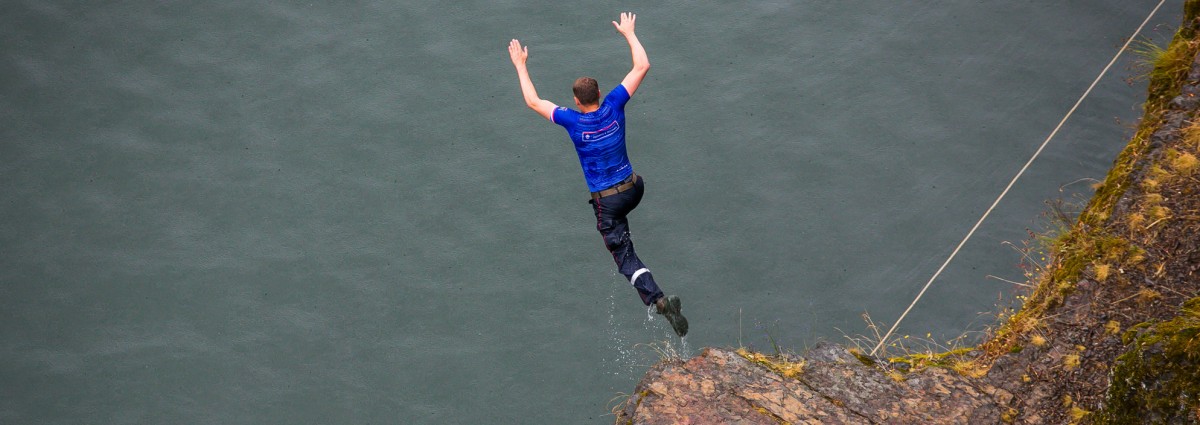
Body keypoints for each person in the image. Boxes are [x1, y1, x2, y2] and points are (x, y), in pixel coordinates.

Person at [507, 12, 688, 337]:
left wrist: (521, 65)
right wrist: (630, 34)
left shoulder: (572, 121)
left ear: (576, 101)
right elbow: (642, 66)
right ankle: (658, 299)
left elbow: (533, 101)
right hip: (634, 188)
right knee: (625, 207)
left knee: (623, 254)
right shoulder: (615, 105)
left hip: (609, 203)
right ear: (600, 93)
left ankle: (659, 301)